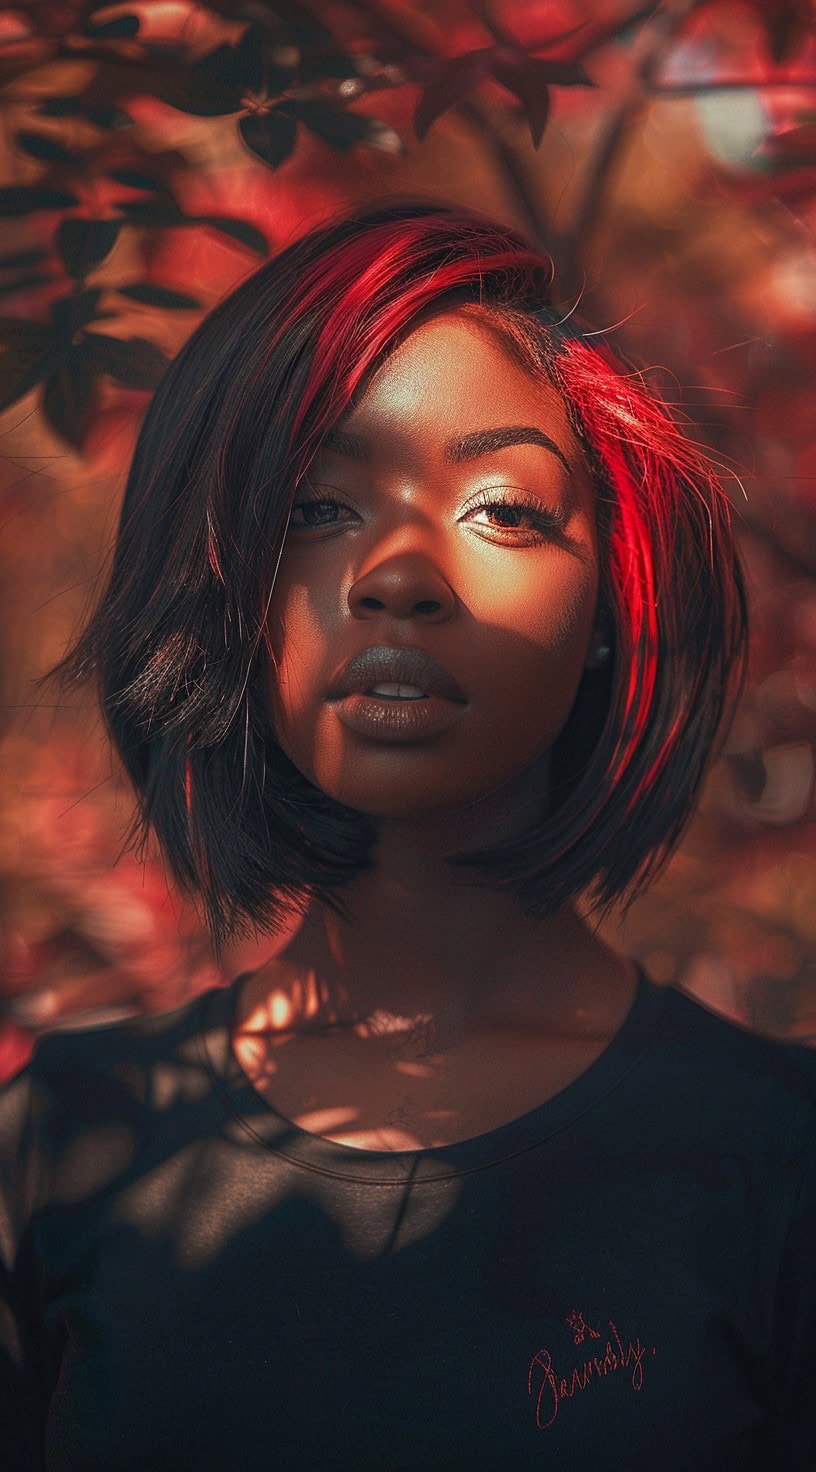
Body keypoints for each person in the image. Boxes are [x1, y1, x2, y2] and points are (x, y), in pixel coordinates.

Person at [1, 199, 814, 1471]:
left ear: (611, 593)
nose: (400, 571)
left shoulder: (780, 1159)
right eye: (318, 509)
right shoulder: (64, 1142)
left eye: (504, 508)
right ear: (223, 579)